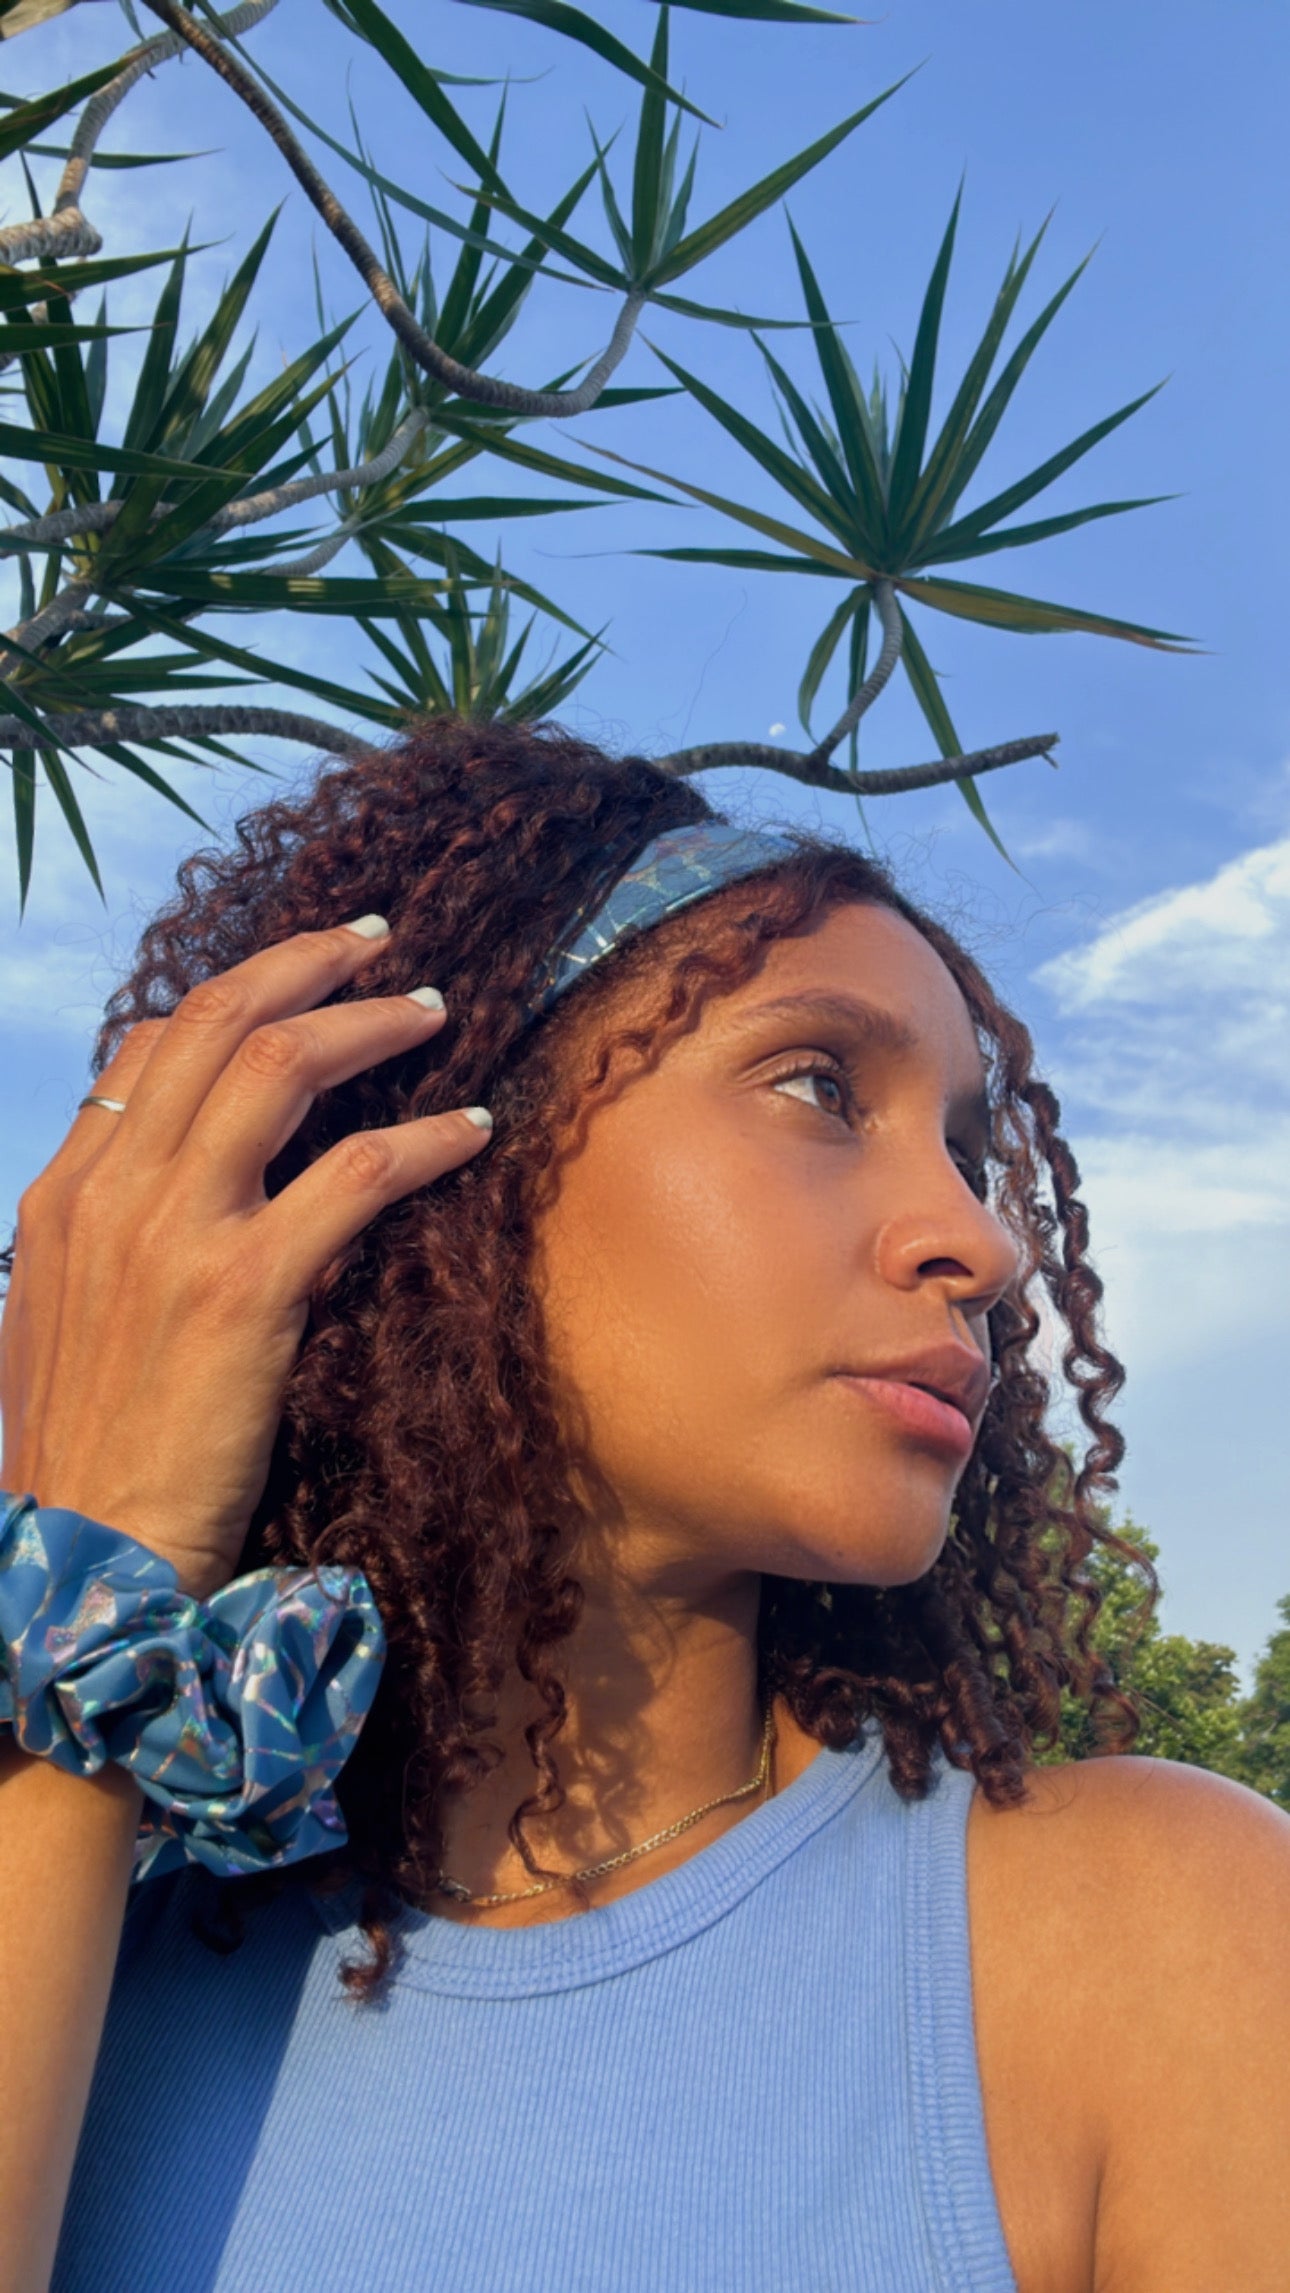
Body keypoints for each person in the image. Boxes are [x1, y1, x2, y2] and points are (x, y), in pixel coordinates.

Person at [0, 718, 1286, 2293]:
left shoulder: (1156, 1939)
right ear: (438, 1156)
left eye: (968, 1148)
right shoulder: (94, 1945)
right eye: (818, 1085)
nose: (984, 1242)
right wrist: (96, 1579)